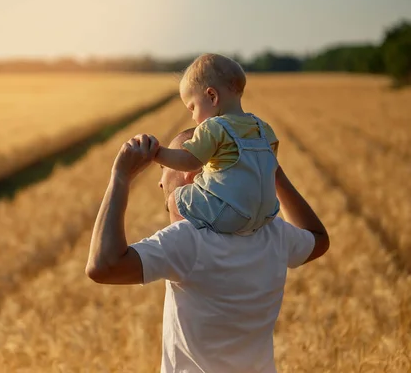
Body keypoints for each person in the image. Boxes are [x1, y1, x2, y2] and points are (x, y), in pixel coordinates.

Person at [85, 130, 329, 373]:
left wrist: (120, 177)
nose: (160, 182)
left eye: (163, 168)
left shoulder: (189, 240)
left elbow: (103, 266)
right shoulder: (272, 232)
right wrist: (272, 171)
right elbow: (318, 238)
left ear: (189, 175)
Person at [153, 53, 280, 234]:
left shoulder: (214, 127)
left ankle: (181, 241)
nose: (193, 117)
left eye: (192, 107)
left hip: (231, 214)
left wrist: (155, 153)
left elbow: (190, 162)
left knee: (176, 199)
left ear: (212, 96)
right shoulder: (263, 128)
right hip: (267, 214)